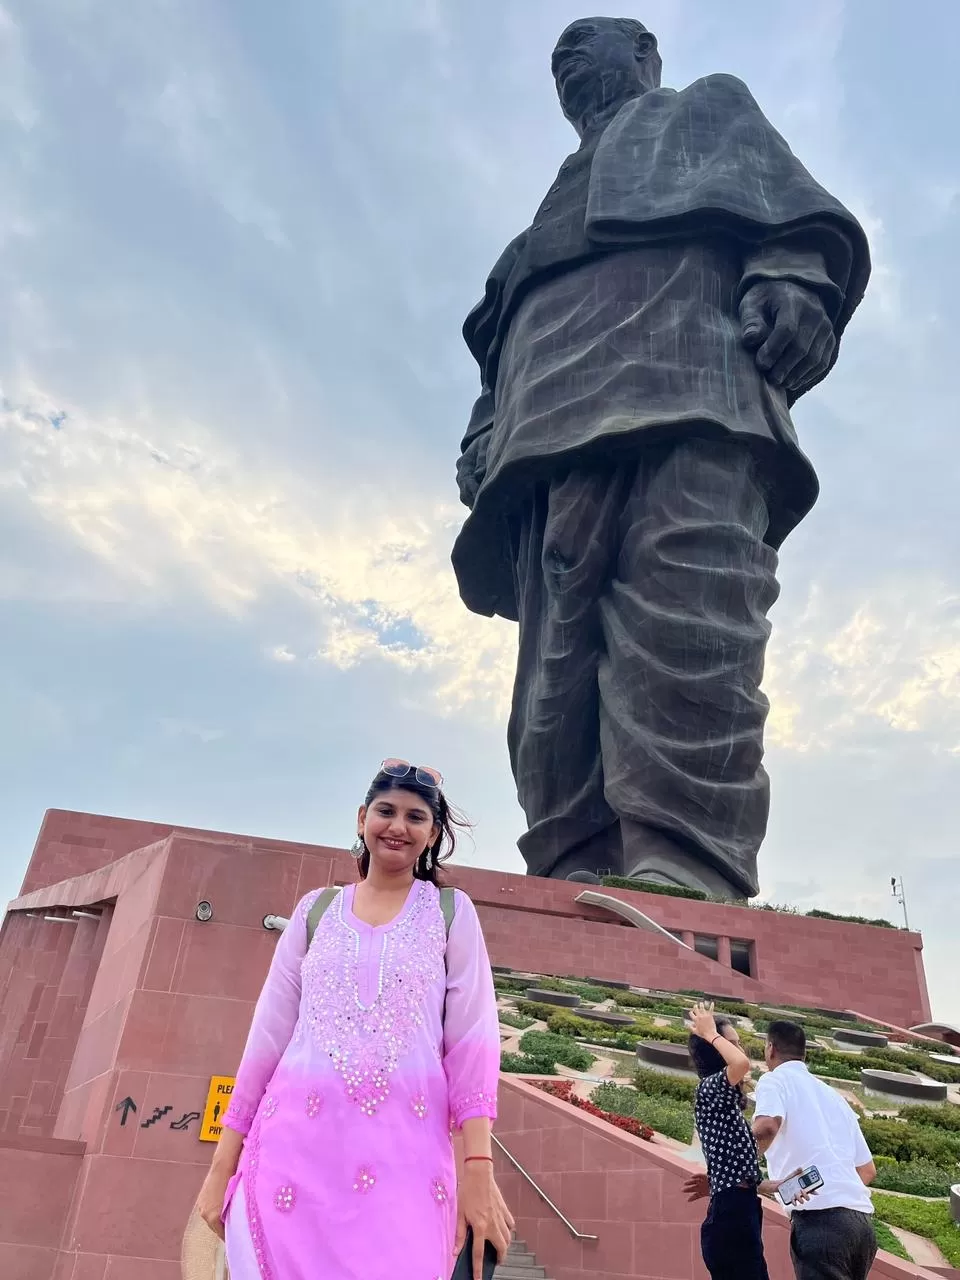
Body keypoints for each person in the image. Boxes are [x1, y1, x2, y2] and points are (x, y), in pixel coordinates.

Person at [452, 16, 870, 896]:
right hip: (550, 424)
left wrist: (793, 276)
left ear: (644, 55)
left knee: (691, 610)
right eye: (554, 55)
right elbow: (498, 351)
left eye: (584, 44)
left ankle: (683, 860)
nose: (565, 62)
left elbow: (792, 215)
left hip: (693, 391)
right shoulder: (540, 218)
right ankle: (575, 867)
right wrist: (483, 432)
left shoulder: (705, 111)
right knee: (555, 662)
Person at [193, 760, 514, 1280]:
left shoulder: (449, 912)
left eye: (415, 817)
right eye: (386, 811)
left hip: (405, 1166)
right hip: (292, 1159)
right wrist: (219, 1169)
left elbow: (472, 1041)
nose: (398, 826)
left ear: (432, 834)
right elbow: (267, 1040)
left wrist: (478, 1166)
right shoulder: (314, 911)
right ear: (362, 817)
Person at [682, 1003, 806, 1280]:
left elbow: (733, 1171)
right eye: (732, 1044)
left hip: (741, 1210)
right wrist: (710, 1033)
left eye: (739, 1044)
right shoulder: (710, 1087)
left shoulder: (724, 1102)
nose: (741, 1050)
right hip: (732, 1216)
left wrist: (770, 1186)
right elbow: (741, 1064)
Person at [752, 1019, 877, 1280]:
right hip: (862, 1227)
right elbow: (867, 1170)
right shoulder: (833, 1096)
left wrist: (737, 1168)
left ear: (770, 1049)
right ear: (804, 1053)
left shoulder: (774, 1080)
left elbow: (766, 1127)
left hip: (821, 1224)